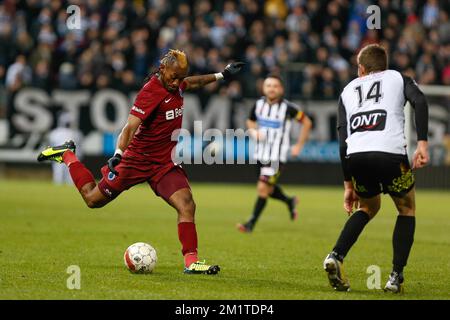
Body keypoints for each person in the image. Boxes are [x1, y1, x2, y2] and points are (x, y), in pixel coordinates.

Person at [38, 49, 244, 275]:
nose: (177, 82)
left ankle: (191, 262)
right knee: (92, 199)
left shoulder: (178, 83)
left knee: (187, 205)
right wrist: (118, 153)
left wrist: (221, 75)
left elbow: (192, 82)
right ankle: (67, 154)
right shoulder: (151, 92)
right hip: (136, 160)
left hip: (164, 163)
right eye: (174, 76)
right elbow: (129, 127)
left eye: (180, 77)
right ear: (163, 69)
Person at [323, 44, 429, 293]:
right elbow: (420, 101)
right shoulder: (397, 78)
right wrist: (422, 143)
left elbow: (342, 139)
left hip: (356, 157)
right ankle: (395, 277)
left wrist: (348, 183)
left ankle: (336, 255)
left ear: (361, 68)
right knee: (406, 208)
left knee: (368, 207)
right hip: (390, 154)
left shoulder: (347, 90)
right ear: (385, 64)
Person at [237, 74, 312, 233]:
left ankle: (250, 224)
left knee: (262, 188)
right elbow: (250, 121)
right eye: (268, 85)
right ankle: (289, 201)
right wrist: (253, 131)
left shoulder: (288, 108)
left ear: (281, 89)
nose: (271, 88)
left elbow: (307, 122)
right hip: (260, 154)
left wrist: (299, 145)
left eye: (275, 86)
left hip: (277, 157)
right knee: (268, 190)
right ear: (263, 88)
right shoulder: (258, 105)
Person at [48, 112, 83, 185]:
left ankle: (57, 193)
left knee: (59, 177)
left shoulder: (55, 132)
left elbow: (51, 146)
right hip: (71, 157)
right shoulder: (76, 133)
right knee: (70, 178)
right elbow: (79, 148)